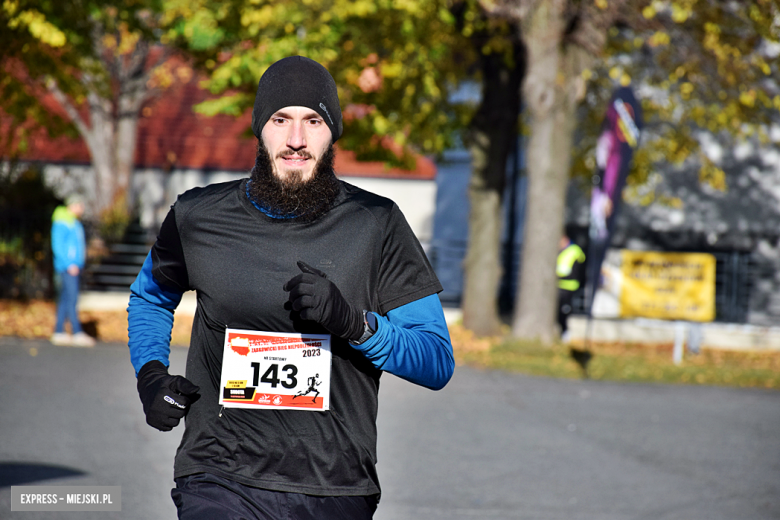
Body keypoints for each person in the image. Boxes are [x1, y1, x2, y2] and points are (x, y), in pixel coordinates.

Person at [127, 56, 455, 520]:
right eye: (281, 120)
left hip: (334, 485)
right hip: (218, 475)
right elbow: (150, 297)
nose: (296, 140)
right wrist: (150, 375)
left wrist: (355, 325)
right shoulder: (198, 217)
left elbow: (436, 360)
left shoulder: (377, 224)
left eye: (313, 121)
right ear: (261, 128)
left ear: (333, 132)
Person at [50, 195, 94, 347]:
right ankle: (76, 332)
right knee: (72, 298)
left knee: (65, 299)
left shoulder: (74, 222)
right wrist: (69, 264)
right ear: (72, 205)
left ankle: (58, 331)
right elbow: (58, 245)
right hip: (68, 267)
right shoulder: (63, 222)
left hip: (74, 266)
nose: (81, 209)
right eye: (80, 205)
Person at [557, 234, 586, 341]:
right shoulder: (563, 252)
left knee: (564, 310)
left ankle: (565, 332)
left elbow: (571, 269)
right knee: (559, 310)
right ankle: (563, 331)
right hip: (560, 285)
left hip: (569, 286)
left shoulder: (573, 251)